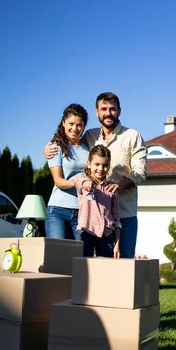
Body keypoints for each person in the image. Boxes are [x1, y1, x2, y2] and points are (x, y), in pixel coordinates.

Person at [45, 92, 147, 258]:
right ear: (97, 112)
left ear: (119, 111)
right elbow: (69, 140)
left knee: (124, 263)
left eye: (112, 109)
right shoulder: (90, 137)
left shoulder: (132, 136)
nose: (108, 113)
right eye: (104, 109)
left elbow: (140, 172)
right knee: (83, 260)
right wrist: (48, 148)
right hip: (93, 213)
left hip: (123, 213)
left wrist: (118, 186)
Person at [44, 103, 90, 241]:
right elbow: (58, 181)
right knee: (58, 254)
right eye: (71, 123)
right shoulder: (55, 147)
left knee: (81, 256)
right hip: (58, 211)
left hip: (82, 211)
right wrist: (78, 182)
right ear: (63, 123)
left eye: (79, 125)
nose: (74, 128)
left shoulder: (88, 149)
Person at [73, 145, 121, 258]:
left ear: (109, 166)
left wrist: (117, 244)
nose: (100, 169)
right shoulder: (83, 180)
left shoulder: (111, 189)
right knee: (84, 268)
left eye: (105, 165)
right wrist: (86, 182)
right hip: (86, 232)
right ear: (89, 164)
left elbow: (117, 219)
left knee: (105, 269)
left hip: (107, 235)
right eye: (97, 164)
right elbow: (80, 182)